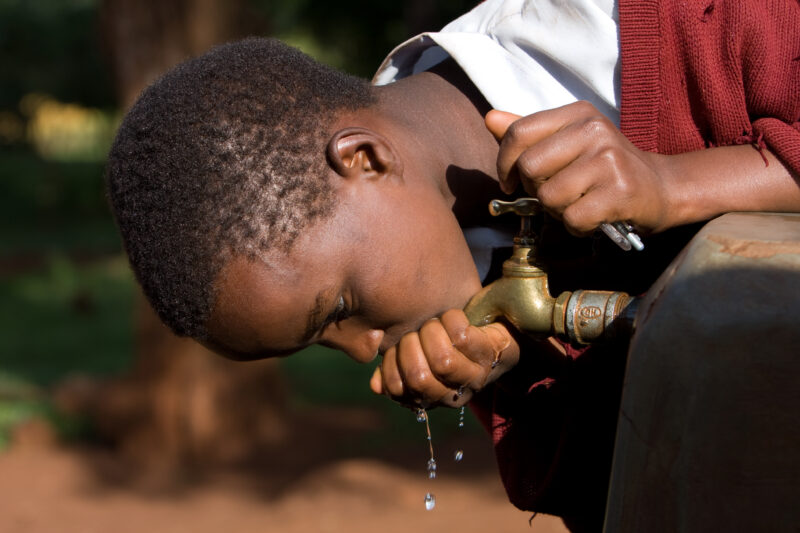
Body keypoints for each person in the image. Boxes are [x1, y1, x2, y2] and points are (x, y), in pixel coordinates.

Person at [105, 0, 800, 529]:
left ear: (365, 158)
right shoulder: (476, 267)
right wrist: (518, 366)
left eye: (342, 311)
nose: (369, 360)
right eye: (322, 343)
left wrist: (675, 185)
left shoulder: (695, 25)